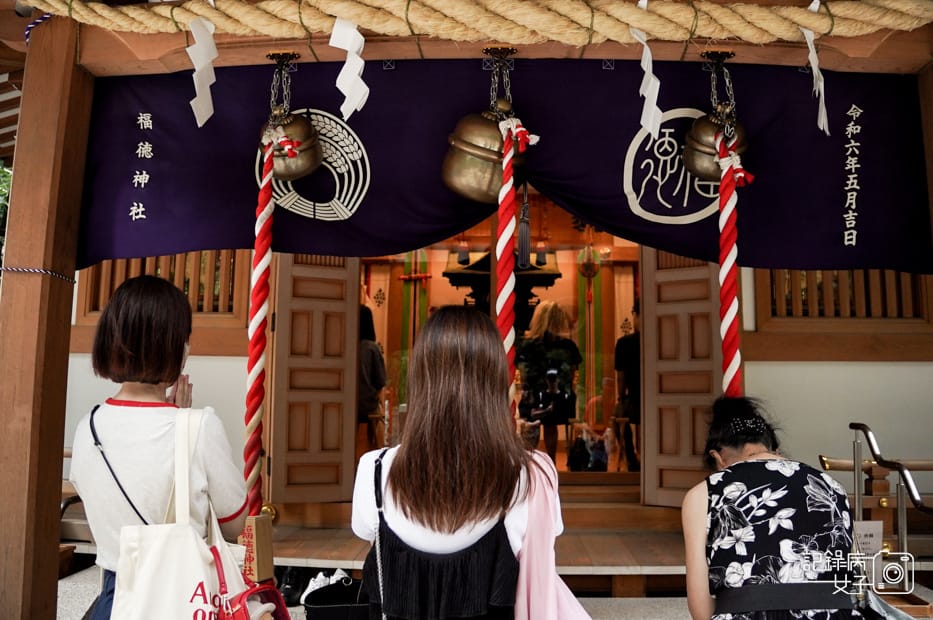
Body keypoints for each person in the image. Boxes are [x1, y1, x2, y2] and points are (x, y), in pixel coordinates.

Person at [351, 305, 565, 619]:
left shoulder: (375, 469)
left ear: (422, 377)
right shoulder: (529, 475)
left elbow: (363, 530)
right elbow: (546, 543)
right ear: (494, 379)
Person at [69, 275, 247, 620]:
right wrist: (183, 424)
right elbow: (235, 526)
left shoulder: (87, 427)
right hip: (182, 596)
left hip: (115, 598)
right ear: (172, 345)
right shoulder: (199, 427)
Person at [681, 396, 859, 620]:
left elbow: (701, 609)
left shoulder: (704, 493)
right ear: (775, 449)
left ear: (718, 458)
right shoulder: (832, 486)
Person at [517, 300, 582, 463]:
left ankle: (529, 464)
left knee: (533, 425)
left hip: (536, 397)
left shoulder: (528, 345)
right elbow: (571, 376)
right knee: (549, 424)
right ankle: (550, 462)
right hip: (558, 398)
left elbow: (524, 374)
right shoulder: (567, 346)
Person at [613, 301, 641, 472]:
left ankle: (631, 459)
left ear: (636, 315)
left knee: (618, 418)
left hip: (634, 400)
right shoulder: (659, 338)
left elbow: (620, 376)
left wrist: (621, 398)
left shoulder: (624, 343)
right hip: (655, 399)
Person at [358, 304, 387, 448]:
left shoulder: (342, 345)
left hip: (344, 404)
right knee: (380, 413)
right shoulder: (371, 348)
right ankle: (377, 448)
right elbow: (380, 382)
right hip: (367, 406)